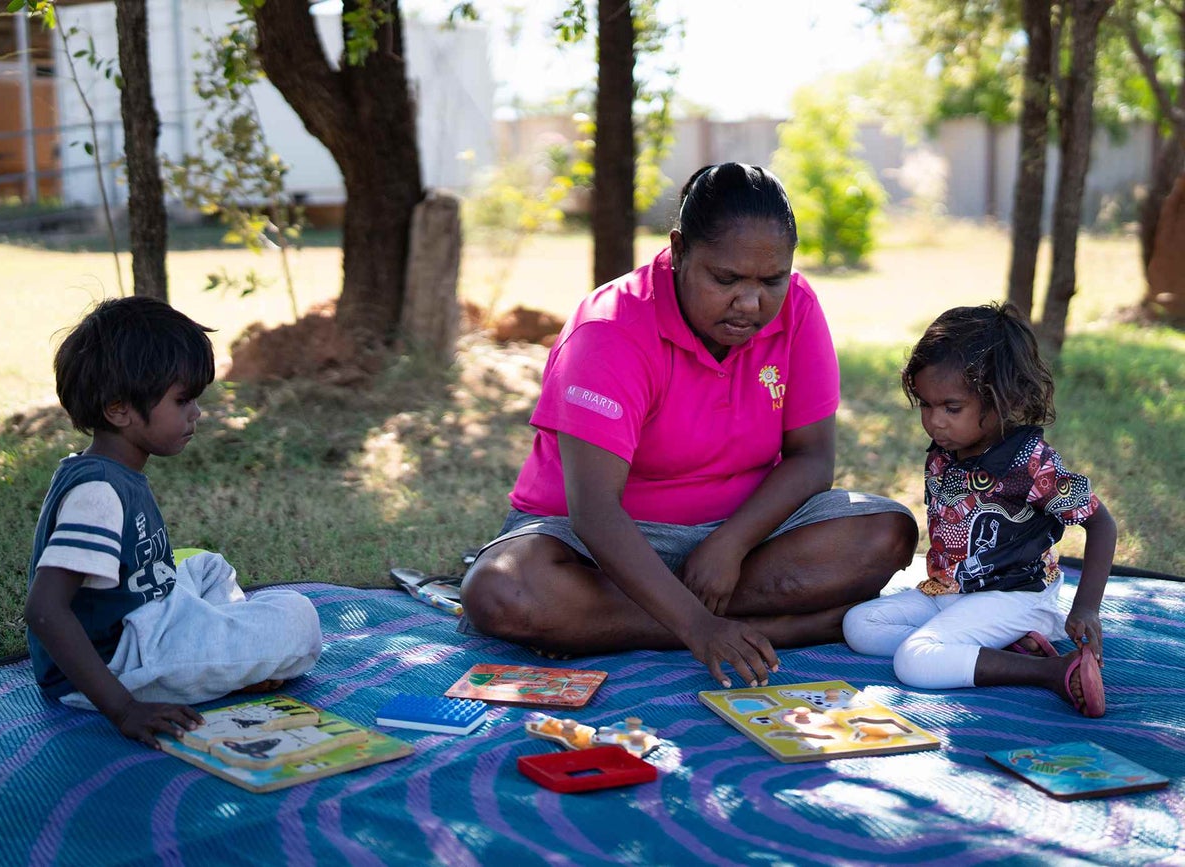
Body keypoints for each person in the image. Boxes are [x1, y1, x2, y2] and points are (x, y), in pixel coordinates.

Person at [461, 163, 918, 687]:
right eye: (725, 279)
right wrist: (698, 627)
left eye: (771, 280)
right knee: (504, 592)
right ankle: (787, 626)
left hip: (743, 540)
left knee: (885, 532)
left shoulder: (798, 307)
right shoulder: (610, 330)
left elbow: (812, 457)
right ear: (679, 251)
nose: (750, 303)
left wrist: (731, 545)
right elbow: (594, 512)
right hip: (593, 546)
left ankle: (605, 622)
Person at [25, 297, 323, 748]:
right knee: (300, 620)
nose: (196, 413)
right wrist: (124, 707)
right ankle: (226, 656)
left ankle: (222, 649)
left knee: (206, 565)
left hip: (144, 617)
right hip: (122, 661)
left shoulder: (111, 471)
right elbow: (45, 609)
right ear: (119, 409)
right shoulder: (98, 494)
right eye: (182, 400)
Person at [842, 303, 1117, 717]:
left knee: (914, 661)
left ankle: (1052, 671)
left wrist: (1086, 608)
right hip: (949, 592)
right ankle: (993, 648)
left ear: (1001, 399)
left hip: (1015, 598)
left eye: (952, 408)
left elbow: (1102, 524)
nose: (935, 422)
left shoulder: (1029, 463)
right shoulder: (945, 451)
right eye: (926, 405)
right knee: (859, 627)